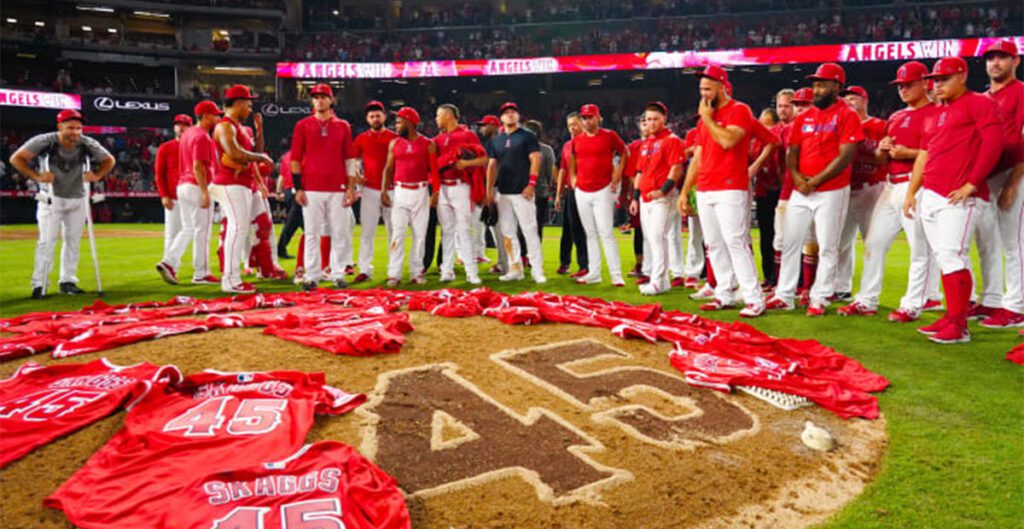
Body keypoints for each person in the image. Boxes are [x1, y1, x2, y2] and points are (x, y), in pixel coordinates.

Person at [903, 56, 1003, 344]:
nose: (938, 84)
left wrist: (972, 182)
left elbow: (993, 143)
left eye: (944, 78)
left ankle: (959, 325)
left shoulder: (979, 103)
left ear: (962, 76)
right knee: (943, 257)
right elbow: (925, 154)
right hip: (932, 192)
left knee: (952, 254)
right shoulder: (935, 112)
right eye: (935, 80)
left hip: (957, 193)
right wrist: (912, 192)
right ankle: (952, 316)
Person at [838, 62, 943, 321]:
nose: (903, 89)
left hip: (918, 185)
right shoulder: (896, 117)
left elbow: (940, 154)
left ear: (924, 83)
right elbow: (881, 160)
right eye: (900, 85)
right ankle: (866, 300)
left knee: (920, 248)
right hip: (891, 183)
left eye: (909, 84)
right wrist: (882, 150)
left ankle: (914, 303)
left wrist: (908, 153)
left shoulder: (937, 113)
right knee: (874, 242)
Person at [679, 64, 778, 317]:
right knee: (713, 243)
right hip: (706, 186)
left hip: (731, 187)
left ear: (722, 86)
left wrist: (709, 119)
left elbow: (727, 141)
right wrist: (684, 190)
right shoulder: (705, 118)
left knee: (736, 241)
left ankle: (754, 298)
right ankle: (724, 293)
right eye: (701, 88)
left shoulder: (739, 110)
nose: (703, 93)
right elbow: (698, 157)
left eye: (708, 87)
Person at [766, 63, 863, 316]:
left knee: (828, 245)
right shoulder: (805, 117)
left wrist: (815, 180)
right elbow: (792, 151)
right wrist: (798, 178)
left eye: (822, 84)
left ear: (836, 86)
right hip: (802, 189)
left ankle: (820, 298)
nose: (817, 89)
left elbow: (846, 155)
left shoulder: (847, 115)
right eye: (815, 84)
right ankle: (784, 295)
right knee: (790, 241)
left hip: (832, 189)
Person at [10, 109, 115, 299]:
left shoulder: (86, 143)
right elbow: (16, 158)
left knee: (73, 241)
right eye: (70, 128)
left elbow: (109, 160)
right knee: (46, 241)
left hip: (78, 198)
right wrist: (37, 176)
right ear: (60, 127)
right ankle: (39, 283)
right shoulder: (45, 141)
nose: (75, 132)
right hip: (52, 198)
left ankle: (68, 281)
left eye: (78, 128)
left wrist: (97, 175)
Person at [289, 83, 358, 291]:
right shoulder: (303, 125)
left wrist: (351, 188)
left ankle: (337, 274)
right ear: (312, 101)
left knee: (339, 232)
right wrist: (298, 188)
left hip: (337, 187)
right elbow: (295, 159)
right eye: (316, 97)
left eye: (323, 97)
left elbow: (350, 158)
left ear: (331, 100)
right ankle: (312, 275)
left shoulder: (343, 126)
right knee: (311, 232)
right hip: (311, 187)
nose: (319, 100)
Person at [977, 39, 1024, 329]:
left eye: (1002, 58)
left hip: (1013, 172)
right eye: (991, 58)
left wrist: (1013, 182)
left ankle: (1016, 306)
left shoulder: (1021, 92)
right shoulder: (983, 99)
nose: (995, 63)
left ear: (1015, 61)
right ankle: (992, 299)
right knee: (987, 242)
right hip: (988, 176)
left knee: (1014, 242)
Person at [211, 84, 274, 294]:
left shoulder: (238, 127)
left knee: (259, 224)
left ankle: (261, 267)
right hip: (230, 182)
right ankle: (230, 279)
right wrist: (261, 158)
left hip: (244, 183)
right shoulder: (225, 126)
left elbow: (252, 151)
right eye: (247, 104)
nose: (249, 108)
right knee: (237, 228)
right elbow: (235, 154)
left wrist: (260, 132)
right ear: (237, 104)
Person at [158, 101, 220, 286]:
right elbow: (198, 165)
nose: (217, 118)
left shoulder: (188, 134)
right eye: (215, 115)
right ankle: (201, 273)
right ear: (206, 116)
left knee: (188, 228)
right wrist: (204, 191)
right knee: (203, 231)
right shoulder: (202, 136)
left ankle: (169, 261)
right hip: (196, 185)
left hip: (182, 185)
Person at [485, 102, 547, 284]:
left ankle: (537, 270)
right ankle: (515, 268)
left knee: (530, 231)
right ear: (501, 118)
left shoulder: (527, 136)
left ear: (518, 116)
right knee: (508, 233)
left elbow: (536, 159)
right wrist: (489, 190)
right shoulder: (496, 140)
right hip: (503, 192)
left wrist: (531, 184)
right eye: (506, 113)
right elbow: (492, 165)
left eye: (513, 112)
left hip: (522, 192)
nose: (510, 115)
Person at [835, 85, 887, 300]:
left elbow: (883, 159)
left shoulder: (879, 125)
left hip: (872, 188)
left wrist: (852, 156)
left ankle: (869, 293)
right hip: (846, 188)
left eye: (854, 98)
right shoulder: (840, 127)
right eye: (846, 98)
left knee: (871, 242)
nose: (850, 102)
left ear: (865, 100)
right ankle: (841, 288)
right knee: (839, 242)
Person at [569, 103, 628, 286]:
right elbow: (571, 157)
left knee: (606, 232)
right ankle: (594, 273)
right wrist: (573, 178)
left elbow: (625, 152)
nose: (586, 121)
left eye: (589, 117)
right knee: (590, 233)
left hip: (603, 188)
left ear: (598, 118)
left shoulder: (609, 136)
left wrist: (617, 176)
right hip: (582, 190)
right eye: (584, 118)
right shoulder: (577, 140)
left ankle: (616, 274)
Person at [630, 101, 684, 296]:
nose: (651, 123)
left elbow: (676, 168)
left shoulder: (672, 140)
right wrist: (635, 198)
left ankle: (657, 280)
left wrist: (663, 190)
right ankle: (662, 281)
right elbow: (639, 172)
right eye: (648, 119)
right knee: (653, 238)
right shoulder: (647, 142)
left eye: (655, 119)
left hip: (663, 198)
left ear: (664, 119)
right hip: (646, 197)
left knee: (657, 237)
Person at [382, 107, 440, 286]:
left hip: (420, 192)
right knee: (397, 234)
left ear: (410, 122)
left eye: (399, 122)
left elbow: (434, 171)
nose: (396, 125)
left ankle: (416, 272)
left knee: (419, 234)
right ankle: (394, 274)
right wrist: (384, 190)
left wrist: (435, 193)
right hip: (400, 192)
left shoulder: (428, 143)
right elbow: (389, 168)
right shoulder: (394, 143)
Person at [433, 103, 485, 284]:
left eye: (438, 116)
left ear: (448, 115)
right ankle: (446, 270)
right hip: (443, 188)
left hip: (461, 186)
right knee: (447, 231)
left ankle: (472, 272)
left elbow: (483, 159)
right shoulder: (437, 140)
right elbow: (433, 166)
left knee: (464, 229)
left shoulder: (467, 134)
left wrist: (466, 164)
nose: (436, 119)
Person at [353, 100, 398, 283]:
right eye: (371, 116)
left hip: (392, 188)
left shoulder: (394, 137)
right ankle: (365, 269)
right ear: (367, 118)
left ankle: (393, 270)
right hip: (370, 189)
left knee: (393, 231)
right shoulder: (362, 138)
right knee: (367, 231)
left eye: (378, 115)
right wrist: (357, 176)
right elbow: (354, 160)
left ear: (384, 116)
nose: (375, 118)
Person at [554, 112, 589, 278]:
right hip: (571, 191)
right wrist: (558, 194)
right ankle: (564, 262)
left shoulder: (590, 143)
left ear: (583, 123)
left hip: (586, 190)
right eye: (569, 126)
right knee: (567, 228)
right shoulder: (567, 145)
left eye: (575, 124)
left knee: (580, 228)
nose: (572, 128)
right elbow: (562, 169)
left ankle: (584, 264)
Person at [751, 107, 782, 287]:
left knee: (780, 237)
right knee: (766, 236)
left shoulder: (774, 137)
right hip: (763, 191)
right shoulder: (756, 142)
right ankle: (769, 276)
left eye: (765, 123)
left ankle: (779, 278)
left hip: (777, 191)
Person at [154, 114, 192, 257]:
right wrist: (164, 195)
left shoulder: (195, 147)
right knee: (172, 233)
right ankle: (168, 263)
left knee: (195, 233)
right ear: (174, 127)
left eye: (185, 124)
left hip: (192, 197)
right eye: (178, 124)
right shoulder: (165, 148)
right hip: (173, 197)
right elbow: (159, 174)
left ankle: (198, 267)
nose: (181, 127)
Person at [524, 119, 556, 243]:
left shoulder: (520, 149)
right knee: (537, 225)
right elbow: (550, 172)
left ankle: (524, 255)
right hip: (540, 192)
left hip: (526, 192)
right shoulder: (547, 150)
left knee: (523, 225)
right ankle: (534, 255)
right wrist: (549, 187)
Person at [275, 150, 300, 259]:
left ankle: (280, 249)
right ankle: (280, 249)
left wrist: (279, 192)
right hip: (297, 191)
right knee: (295, 222)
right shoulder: (302, 154)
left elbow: (281, 176)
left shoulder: (286, 156)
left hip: (289, 191)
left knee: (293, 222)